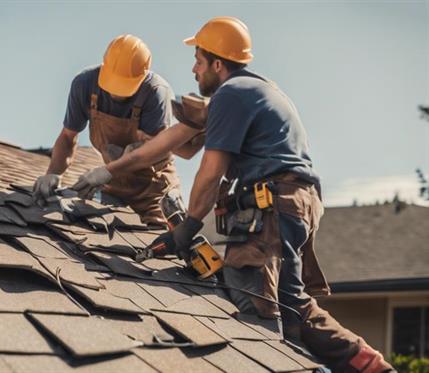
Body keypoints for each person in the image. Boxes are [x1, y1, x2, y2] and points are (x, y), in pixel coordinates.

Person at [71, 17, 393, 373]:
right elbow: (167, 143)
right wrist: (108, 171)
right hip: (292, 202)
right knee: (291, 305)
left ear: (218, 63)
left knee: (257, 305)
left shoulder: (232, 96)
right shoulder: (252, 91)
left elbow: (210, 173)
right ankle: (368, 365)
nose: (193, 69)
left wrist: (188, 226)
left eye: (198, 60)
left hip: (276, 205)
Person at [33, 34, 199, 225]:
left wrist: (106, 171)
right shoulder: (84, 84)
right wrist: (54, 172)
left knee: (162, 243)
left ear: (143, 75)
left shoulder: (155, 92)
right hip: (114, 185)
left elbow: (150, 152)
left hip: (153, 190)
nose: (116, 93)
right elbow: (68, 136)